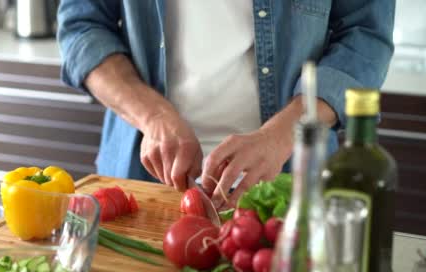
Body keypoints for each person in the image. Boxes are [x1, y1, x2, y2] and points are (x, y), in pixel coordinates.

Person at [57, 0, 395, 208]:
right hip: (141, 177)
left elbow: (366, 37)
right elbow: (81, 27)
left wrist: (283, 133)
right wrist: (153, 116)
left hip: (293, 175)